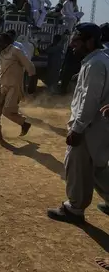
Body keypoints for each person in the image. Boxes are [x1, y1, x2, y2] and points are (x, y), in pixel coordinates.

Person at [47, 23, 109, 223]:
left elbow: (89, 99)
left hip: (89, 126)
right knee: (98, 167)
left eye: (77, 41)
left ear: (90, 41)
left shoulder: (95, 64)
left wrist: (77, 128)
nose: (73, 45)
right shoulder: (99, 60)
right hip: (99, 125)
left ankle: (74, 209)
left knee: (77, 166)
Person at [0, 32, 35, 141]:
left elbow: (30, 66)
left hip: (14, 87)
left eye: (0, 41)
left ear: (7, 42)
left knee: (7, 111)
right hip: (1, 85)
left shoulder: (16, 51)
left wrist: (32, 83)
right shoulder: (0, 53)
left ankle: (24, 123)